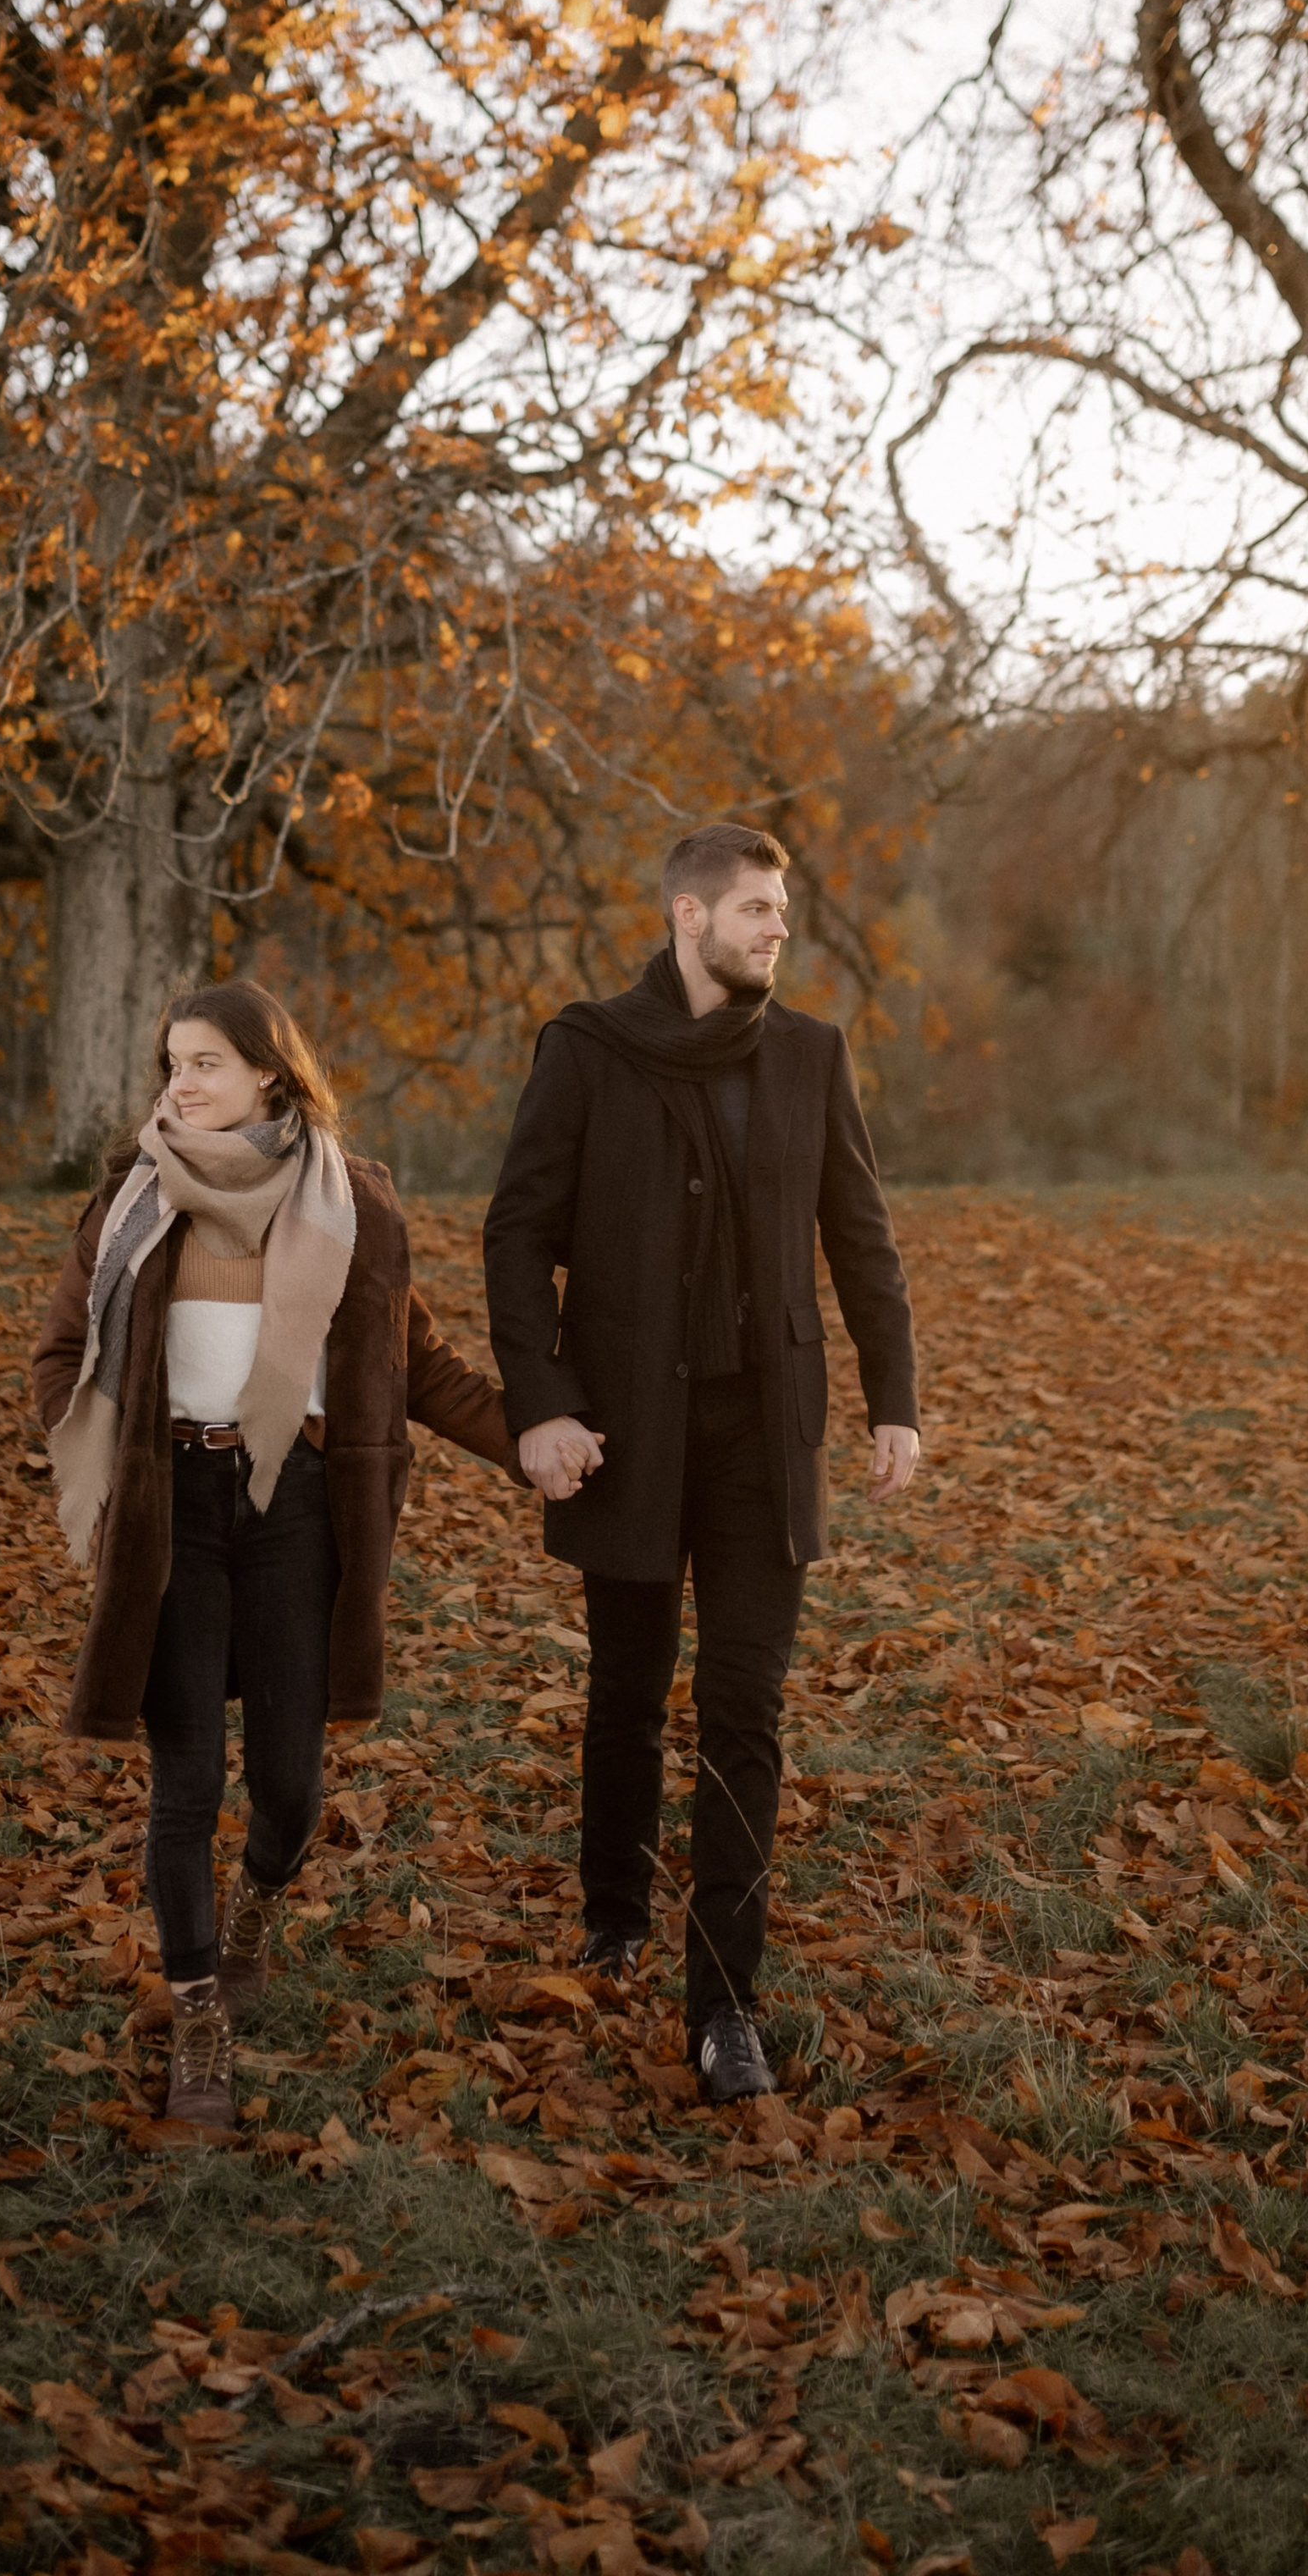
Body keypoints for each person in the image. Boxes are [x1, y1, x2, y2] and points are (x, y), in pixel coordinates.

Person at [482, 822, 921, 2104]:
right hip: (626, 1428)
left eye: (783, 911)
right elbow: (517, 1237)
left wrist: (895, 1401)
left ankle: (726, 2004)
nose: (779, 930)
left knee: (745, 1710)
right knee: (628, 1685)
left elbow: (863, 1240)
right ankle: (613, 1907)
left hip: (763, 1436)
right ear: (688, 918)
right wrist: (540, 1406)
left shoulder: (807, 1057)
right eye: (756, 911)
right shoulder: (588, 1051)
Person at [33, 981, 519, 2128]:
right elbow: (61, 1352)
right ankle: (198, 2005)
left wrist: (530, 1441)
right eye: (173, 1064)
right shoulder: (133, 1201)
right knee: (186, 1780)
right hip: (172, 1508)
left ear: (268, 1071)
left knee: (290, 1790)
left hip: (299, 1507)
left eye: (205, 1062)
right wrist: (96, 1459)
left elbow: (422, 1368)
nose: (182, 1085)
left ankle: (257, 1898)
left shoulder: (353, 1206)